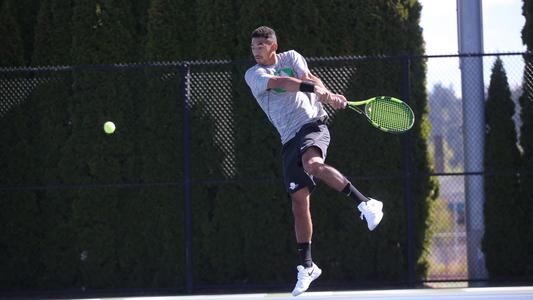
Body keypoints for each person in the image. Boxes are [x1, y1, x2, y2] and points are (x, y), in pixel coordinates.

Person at [244, 26, 384, 297]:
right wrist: (317, 90)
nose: (256, 52)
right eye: (253, 48)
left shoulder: (292, 57)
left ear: (273, 46)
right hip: (288, 140)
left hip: (312, 126)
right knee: (299, 201)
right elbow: (283, 83)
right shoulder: (254, 74)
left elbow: (308, 77)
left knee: (313, 165)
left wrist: (327, 94)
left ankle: (366, 203)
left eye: (261, 47)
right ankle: (307, 266)